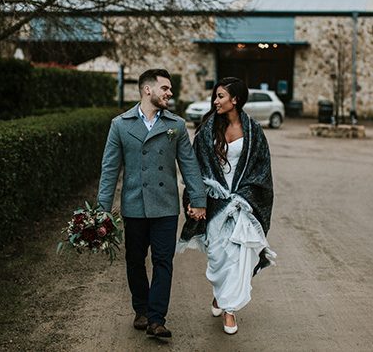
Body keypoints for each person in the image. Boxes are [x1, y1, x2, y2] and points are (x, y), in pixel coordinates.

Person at [97, 68, 207, 338]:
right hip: (134, 205)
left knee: (163, 261)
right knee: (135, 260)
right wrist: (102, 211)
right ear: (148, 90)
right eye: (165, 88)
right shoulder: (120, 124)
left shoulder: (176, 125)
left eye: (169, 89)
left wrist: (198, 199)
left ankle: (157, 319)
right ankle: (142, 310)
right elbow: (110, 169)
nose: (170, 93)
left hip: (165, 206)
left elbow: (189, 165)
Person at [177, 77, 276, 335]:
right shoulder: (207, 130)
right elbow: (195, 170)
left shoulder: (254, 131)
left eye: (220, 96)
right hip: (215, 203)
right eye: (215, 96)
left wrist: (244, 197)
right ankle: (220, 295)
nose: (215, 101)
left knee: (241, 255)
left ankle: (229, 309)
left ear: (236, 99)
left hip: (243, 203)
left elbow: (262, 170)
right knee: (218, 256)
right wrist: (196, 199)